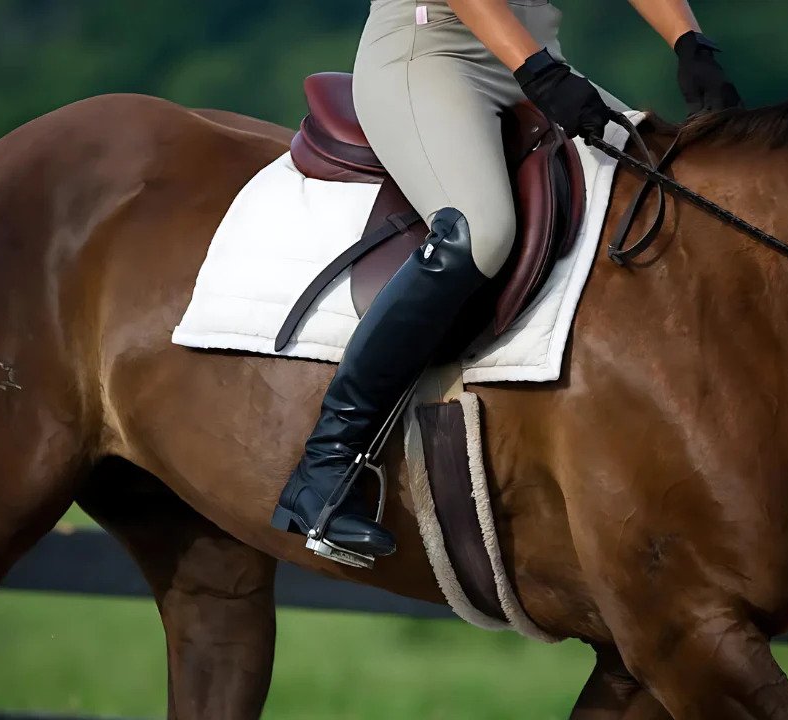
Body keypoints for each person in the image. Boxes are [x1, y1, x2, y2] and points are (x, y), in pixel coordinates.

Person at [271, 0, 742, 561]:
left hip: (532, 57)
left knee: (669, 194)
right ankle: (325, 466)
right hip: (432, 53)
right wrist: (539, 72)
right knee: (479, 231)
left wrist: (689, 43)